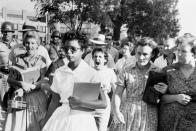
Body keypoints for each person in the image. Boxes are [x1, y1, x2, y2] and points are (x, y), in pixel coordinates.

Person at [42, 31, 107, 131]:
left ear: (83, 50)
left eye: (73, 49)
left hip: (82, 120)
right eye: (66, 48)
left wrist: (81, 102)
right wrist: (45, 122)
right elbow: (54, 101)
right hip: (61, 119)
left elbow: (103, 103)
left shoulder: (91, 73)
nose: (68, 52)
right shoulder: (59, 72)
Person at [110, 37, 168, 131]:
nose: (141, 57)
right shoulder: (126, 70)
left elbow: (161, 97)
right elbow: (117, 93)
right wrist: (116, 111)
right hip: (128, 112)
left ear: (152, 54)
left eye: (145, 54)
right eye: (139, 53)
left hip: (149, 115)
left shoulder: (158, 72)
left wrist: (164, 90)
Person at [4, 32, 48, 131]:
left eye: (33, 43)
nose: (30, 46)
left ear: (37, 44)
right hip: (19, 97)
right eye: (27, 43)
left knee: (35, 124)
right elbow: (10, 79)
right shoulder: (18, 59)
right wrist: (21, 84)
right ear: (24, 44)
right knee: (19, 125)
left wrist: (32, 87)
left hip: (36, 97)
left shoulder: (42, 61)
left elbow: (43, 80)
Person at [159, 35, 196, 131]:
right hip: (170, 123)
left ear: (194, 53)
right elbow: (158, 98)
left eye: (183, 51)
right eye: (178, 50)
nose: (179, 54)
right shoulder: (168, 71)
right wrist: (176, 97)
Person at [92, 48, 117, 131]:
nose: (97, 59)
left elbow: (116, 91)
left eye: (100, 57)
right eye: (95, 56)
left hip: (103, 107)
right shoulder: (88, 71)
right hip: (89, 105)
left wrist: (115, 108)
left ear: (105, 59)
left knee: (102, 129)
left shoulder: (109, 72)